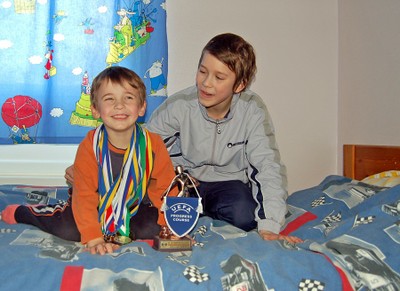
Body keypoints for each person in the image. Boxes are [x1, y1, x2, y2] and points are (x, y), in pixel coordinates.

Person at [1, 66, 178, 255]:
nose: (119, 105)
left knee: (152, 228)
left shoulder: (154, 143)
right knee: (68, 230)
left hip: (131, 205)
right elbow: (85, 195)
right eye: (109, 99)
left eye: (128, 97)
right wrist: (94, 238)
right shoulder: (89, 146)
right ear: (95, 109)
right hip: (91, 203)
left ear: (142, 107)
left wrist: (173, 226)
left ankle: (117, 232)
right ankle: (25, 212)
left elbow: (166, 188)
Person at [146, 33, 302, 243]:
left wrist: (269, 226)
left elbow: (267, 166)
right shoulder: (180, 105)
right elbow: (143, 149)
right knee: (155, 219)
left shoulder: (252, 110)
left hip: (228, 184)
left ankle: (205, 215)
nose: (206, 83)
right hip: (187, 182)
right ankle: (195, 215)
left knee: (245, 216)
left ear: (239, 85)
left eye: (219, 77)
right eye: (202, 71)